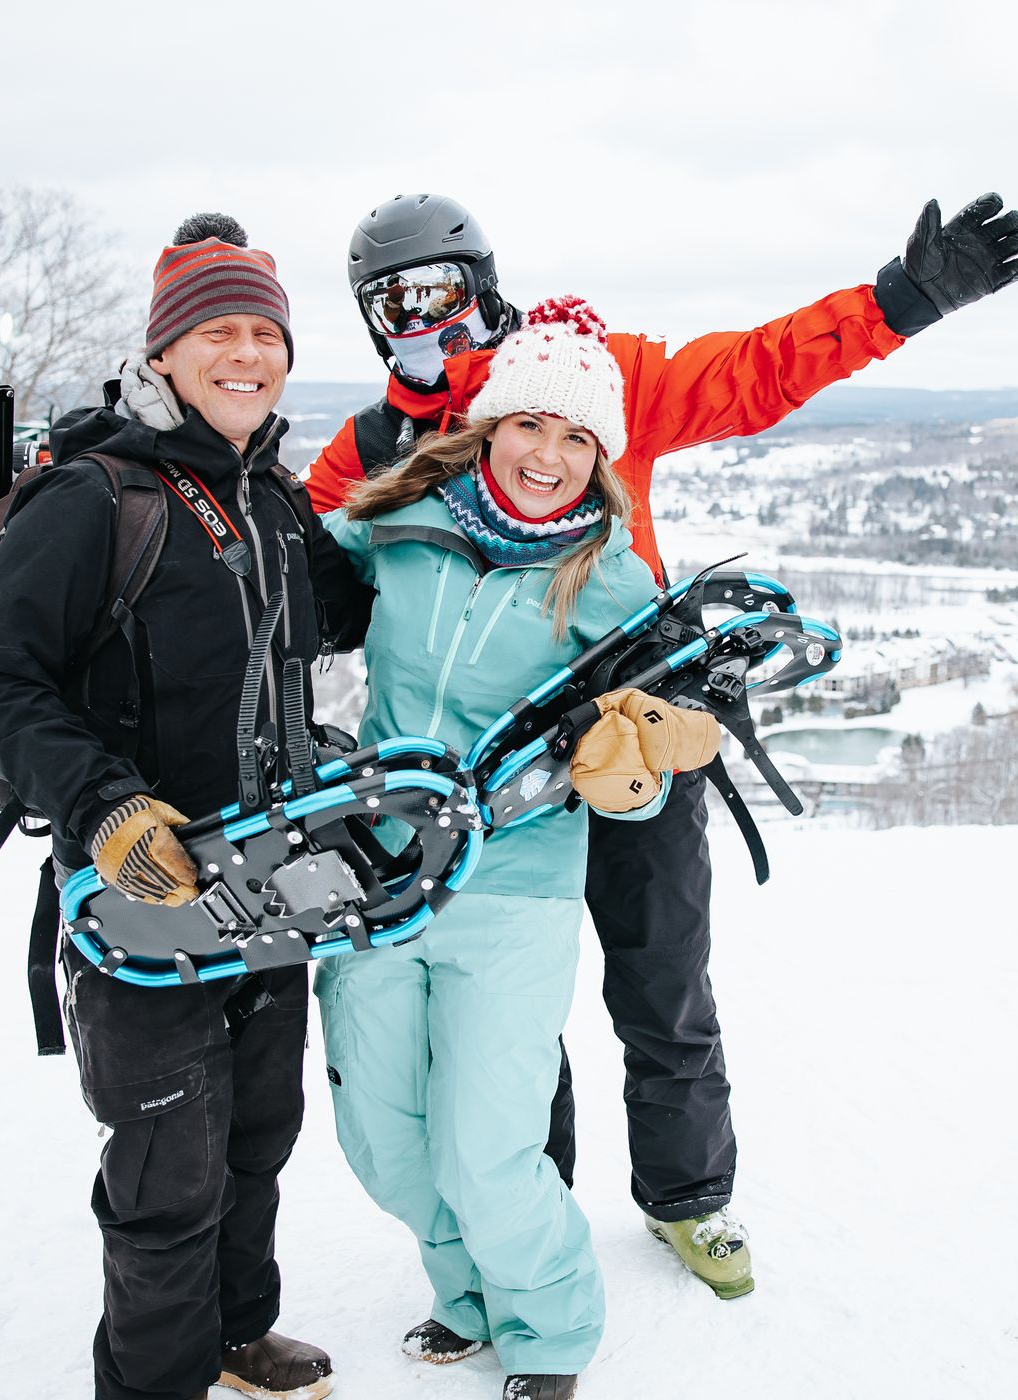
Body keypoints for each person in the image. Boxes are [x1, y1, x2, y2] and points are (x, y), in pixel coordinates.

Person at [305, 190, 1018, 1299]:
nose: (423, 317)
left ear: (482, 284)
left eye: (441, 290)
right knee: (500, 1012)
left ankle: (688, 1196)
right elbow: (285, 567)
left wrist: (901, 300)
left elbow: (749, 372)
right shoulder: (368, 447)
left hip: (627, 732)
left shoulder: (586, 372)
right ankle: (519, 1215)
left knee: (662, 979)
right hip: (483, 790)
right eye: (393, 301)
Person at [0, 230, 370, 1400]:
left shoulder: (273, 498)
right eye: (218, 332)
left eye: (266, 335)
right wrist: (103, 803)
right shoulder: (98, 498)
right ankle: (154, 1382)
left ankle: (238, 1331)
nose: (247, 354)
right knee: (164, 1170)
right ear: (166, 353)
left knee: (255, 1138)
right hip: (137, 897)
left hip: (269, 884)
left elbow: (348, 614)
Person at [317, 296, 722, 1400]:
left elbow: (654, 761)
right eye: (532, 425)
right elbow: (274, 601)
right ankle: (468, 1295)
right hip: (380, 871)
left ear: (603, 457)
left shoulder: (614, 581)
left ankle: (546, 1331)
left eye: (579, 436)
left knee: (488, 1147)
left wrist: (636, 773)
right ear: (489, 424)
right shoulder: (395, 522)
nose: (549, 455)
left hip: (516, 886)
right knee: (386, 1140)